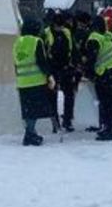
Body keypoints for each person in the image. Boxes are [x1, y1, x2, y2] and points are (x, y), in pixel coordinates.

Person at [84, 16, 112, 141]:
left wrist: (88, 73)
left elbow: (91, 58)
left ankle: (109, 130)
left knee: (108, 102)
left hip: (110, 72)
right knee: (110, 101)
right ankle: (106, 127)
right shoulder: (106, 36)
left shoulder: (94, 38)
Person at [13, 17, 54, 146]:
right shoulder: (37, 41)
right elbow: (42, 61)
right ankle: (29, 134)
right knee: (34, 110)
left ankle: (30, 132)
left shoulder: (17, 42)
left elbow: (16, 62)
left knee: (27, 110)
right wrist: (49, 76)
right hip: (36, 81)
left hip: (22, 82)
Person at [43, 11, 78, 133]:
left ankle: (67, 120)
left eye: (62, 26)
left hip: (66, 67)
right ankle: (55, 122)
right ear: (53, 24)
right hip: (52, 68)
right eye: (58, 26)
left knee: (69, 94)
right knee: (52, 96)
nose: (60, 28)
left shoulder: (67, 33)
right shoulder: (46, 33)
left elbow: (73, 49)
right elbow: (43, 53)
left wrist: (75, 63)